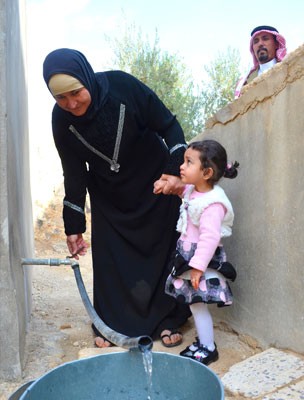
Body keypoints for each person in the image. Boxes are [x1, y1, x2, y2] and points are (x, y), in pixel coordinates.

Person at [42, 48, 191, 348]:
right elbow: (73, 174)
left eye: (76, 92)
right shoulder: (61, 120)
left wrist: (174, 172)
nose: (71, 103)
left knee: (162, 251)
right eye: (61, 98)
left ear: (86, 78)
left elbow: (169, 125)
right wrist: (74, 226)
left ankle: (167, 319)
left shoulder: (123, 87)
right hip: (110, 197)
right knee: (112, 259)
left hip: (155, 186)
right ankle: (111, 325)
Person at [159, 140, 239, 365]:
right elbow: (183, 191)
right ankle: (203, 342)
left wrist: (197, 268)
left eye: (188, 162)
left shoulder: (213, 204)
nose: (181, 167)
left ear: (207, 172)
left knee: (197, 305)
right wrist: (167, 183)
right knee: (195, 305)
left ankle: (208, 348)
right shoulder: (195, 190)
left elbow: (209, 238)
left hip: (199, 262)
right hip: (189, 258)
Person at [235, 25, 287, 98]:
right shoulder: (245, 82)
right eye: (256, 41)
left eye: (265, 39)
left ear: (276, 44)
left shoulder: (288, 69)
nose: (260, 44)